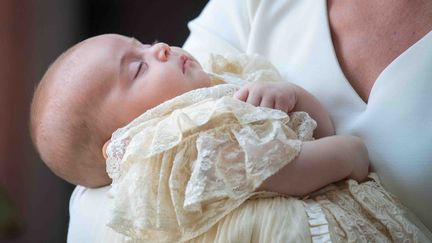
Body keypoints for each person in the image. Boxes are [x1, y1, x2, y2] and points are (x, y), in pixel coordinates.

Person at [32, 33, 430, 242]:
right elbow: (287, 171)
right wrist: (350, 154)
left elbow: (313, 133)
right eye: (136, 69)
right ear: (123, 141)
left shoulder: (222, 86)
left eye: (143, 44)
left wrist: (293, 97)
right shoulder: (179, 146)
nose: (160, 51)